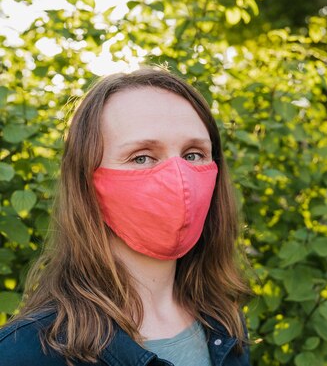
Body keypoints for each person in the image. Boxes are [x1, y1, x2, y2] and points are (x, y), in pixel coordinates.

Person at [0, 68, 251, 366]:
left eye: (193, 154)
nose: (179, 178)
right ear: (87, 181)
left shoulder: (224, 319)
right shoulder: (26, 352)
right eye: (141, 157)